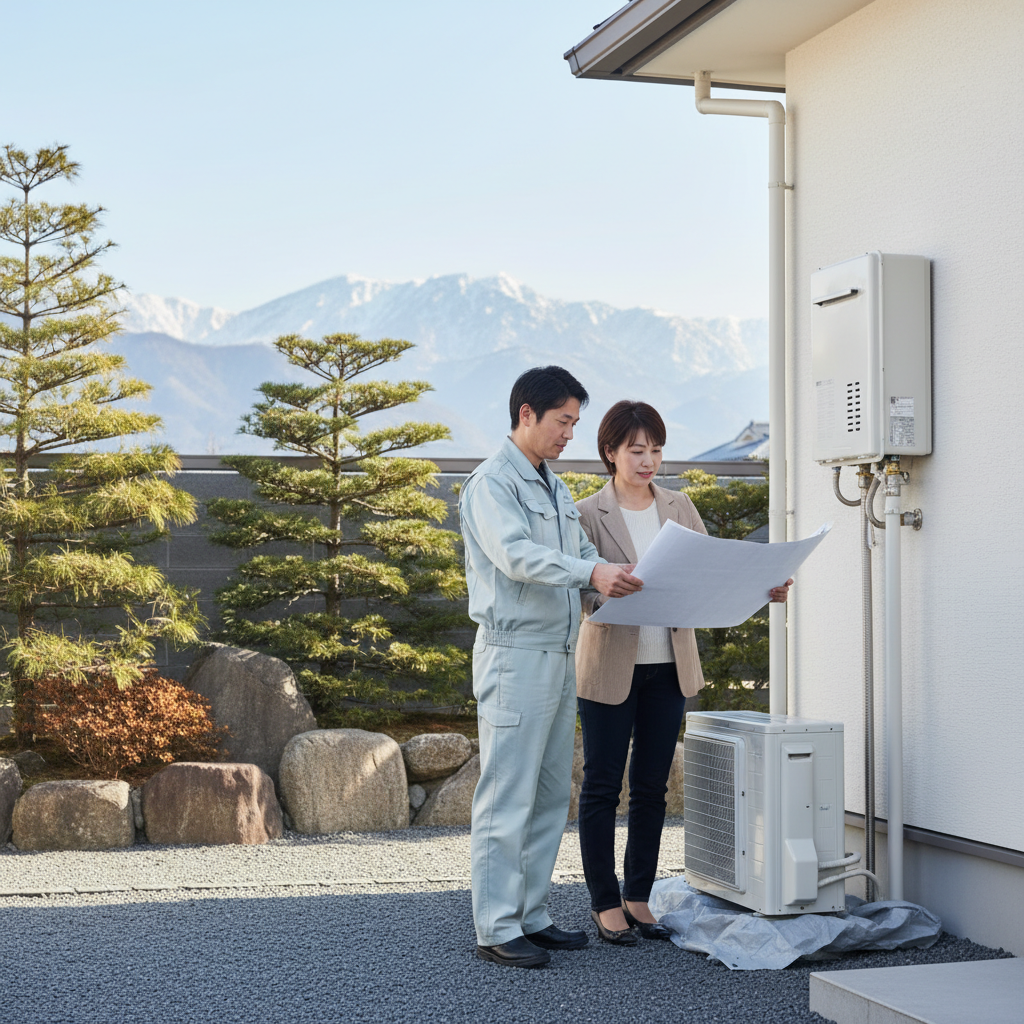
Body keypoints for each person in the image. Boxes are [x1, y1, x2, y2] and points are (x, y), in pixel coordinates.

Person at [575, 400, 791, 945]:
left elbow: (713, 573)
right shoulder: (586, 513)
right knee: (602, 787)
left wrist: (763, 589)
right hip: (609, 666)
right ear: (610, 452)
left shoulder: (679, 505)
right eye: (636, 450)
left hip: (669, 667)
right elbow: (576, 590)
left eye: (655, 450)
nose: (648, 461)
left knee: (652, 787)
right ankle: (604, 902)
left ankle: (638, 897)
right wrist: (607, 590)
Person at [458, 367, 644, 969]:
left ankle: (531, 916)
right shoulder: (492, 483)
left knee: (546, 796)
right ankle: (495, 925)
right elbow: (516, 556)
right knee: (507, 794)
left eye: (574, 423)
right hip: (514, 655)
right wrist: (592, 573)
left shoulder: (554, 487)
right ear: (526, 414)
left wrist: (617, 580)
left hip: (561, 652)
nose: (569, 433)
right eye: (563, 421)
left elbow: (582, 554)